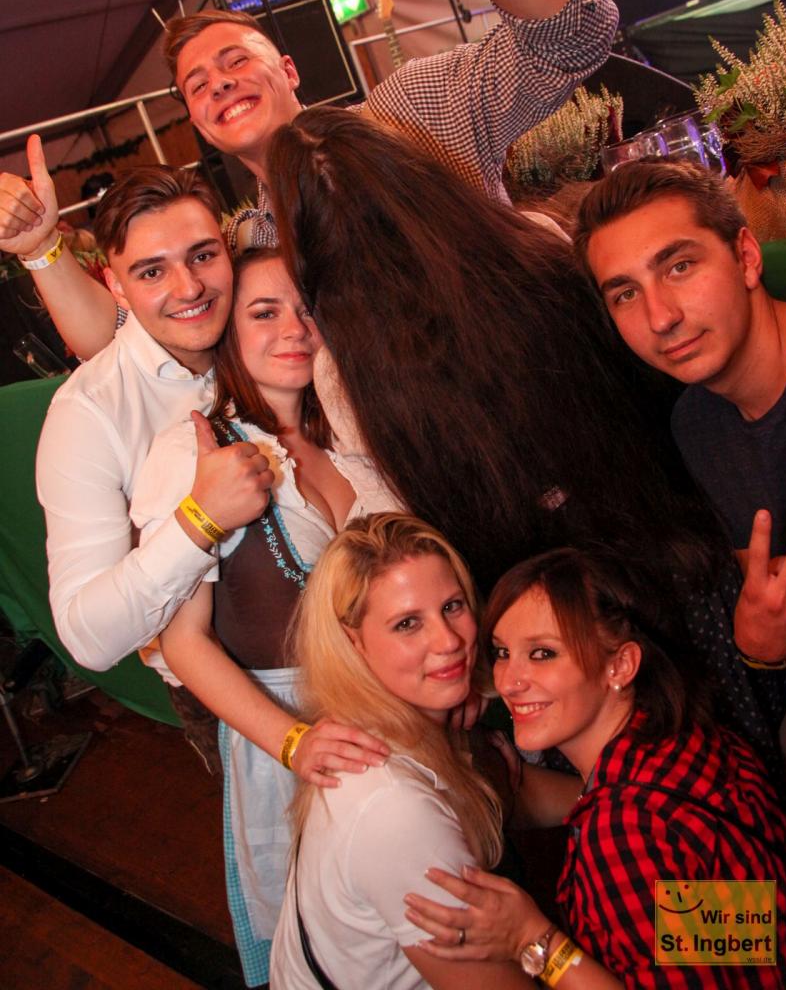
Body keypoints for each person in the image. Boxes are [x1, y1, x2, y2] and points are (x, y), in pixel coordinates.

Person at [0, 0, 618, 357]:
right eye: (199, 85)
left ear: (290, 71)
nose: (221, 84)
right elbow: (130, 338)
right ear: (197, 123)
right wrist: (40, 247)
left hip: (549, 370)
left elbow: (578, 34)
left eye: (237, 61)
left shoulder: (410, 112)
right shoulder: (250, 245)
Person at [263, 104, 725, 597]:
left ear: (308, 244)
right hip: (675, 521)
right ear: (416, 180)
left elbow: (402, 517)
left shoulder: (342, 373)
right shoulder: (532, 239)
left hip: (543, 596)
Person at [131, 247, 397, 986]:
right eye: (264, 312)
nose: (295, 329)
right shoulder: (194, 451)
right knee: (338, 951)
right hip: (296, 738)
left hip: (400, 718)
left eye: (306, 309)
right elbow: (183, 642)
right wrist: (294, 742)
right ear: (227, 332)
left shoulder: (352, 434)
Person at [402, 548, 786, 988]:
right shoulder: (682, 740)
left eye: (542, 653)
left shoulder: (626, 831)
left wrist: (532, 939)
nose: (509, 681)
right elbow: (746, 933)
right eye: (501, 652)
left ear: (621, 664)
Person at [270, 511, 578, 990]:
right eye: (408, 623)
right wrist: (541, 943)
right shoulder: (392, 807)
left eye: (453, 606)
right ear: (353, 643)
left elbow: (704, 946)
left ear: (622, 666)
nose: (450, 641)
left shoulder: (397, 719)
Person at [35, 166, 273, 687]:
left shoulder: (273, 337)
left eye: (202, 256)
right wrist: (200, 520)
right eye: (151, 273)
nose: (189, 288)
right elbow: (88, 638)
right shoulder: (89, 413)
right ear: (116, 288)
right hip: (227, 686)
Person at [573, 161, 786, 675]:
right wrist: (761, 646)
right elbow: (771, 602)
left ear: (746, 257)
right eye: (626, 294)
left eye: (679, 267)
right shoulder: (697, 424)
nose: (661, 317)